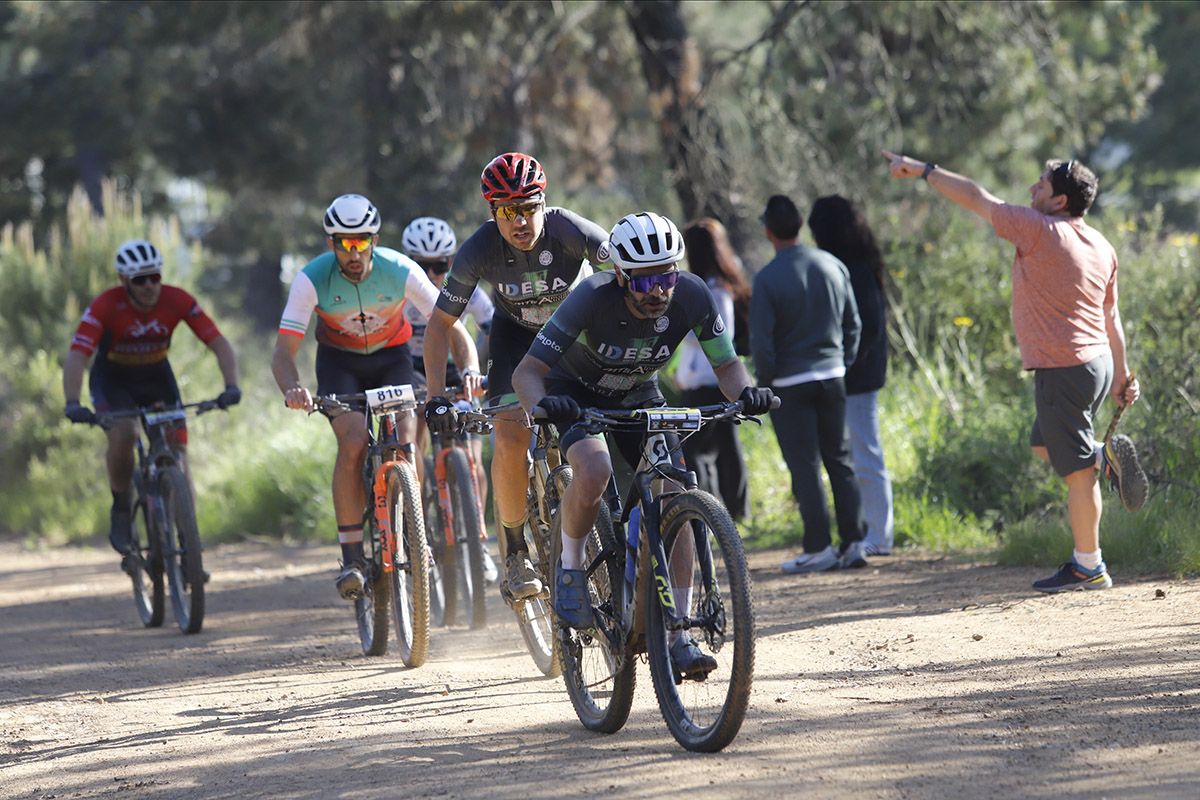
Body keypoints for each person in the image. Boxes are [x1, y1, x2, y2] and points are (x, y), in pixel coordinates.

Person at [512, 211, 775, 679]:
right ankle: (570, 569)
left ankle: (678, 635)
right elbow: (526, 373)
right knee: (593, 471)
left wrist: (746, 394)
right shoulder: (590, 298)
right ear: (618, 275)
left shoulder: (693, 294)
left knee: (675, 490)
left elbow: (728, 366)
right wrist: (545, 406)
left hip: (639, 393)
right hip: (576, 393)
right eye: (642, 282)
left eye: (666, 276)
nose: (657, 291)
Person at [882, 150, 1147, 592]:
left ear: (1060, 201)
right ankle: (1104, 456)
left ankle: (1089, 565)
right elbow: (1112, 315)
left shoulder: (1039, 229)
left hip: (1064, 369)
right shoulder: (1102, 244)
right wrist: (1121, 373)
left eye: (1040, 185)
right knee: (1044, 445)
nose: (1031, 190)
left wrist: (925, 171)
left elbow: (975, 196)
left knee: (1077, 473)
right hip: (1095, 364)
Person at [421, 152, 610, 605]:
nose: (520, 221)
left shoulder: (572, 231)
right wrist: (433, 396)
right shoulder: (478, 250)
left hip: (572, 334)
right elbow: (439, 325)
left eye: (528, 208)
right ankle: (516, 551)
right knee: (509, 434)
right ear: (493, 213)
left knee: (604, 419)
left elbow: (628, 270)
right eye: (507, 212)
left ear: (544, 203)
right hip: (514, 339)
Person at [271, 194, 479, 600]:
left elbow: (449, 325)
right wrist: (293, 388)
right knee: (352, 442)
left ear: (375, 239)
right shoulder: (311, 279)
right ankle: (351, 558)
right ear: (331, 243)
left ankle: (412, 530)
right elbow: (283, 351)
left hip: (392, 359)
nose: (353, 252)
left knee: (406, 441)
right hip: (339, 363)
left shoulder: (399, 269)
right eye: (344, 243)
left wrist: (469, 366)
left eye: (361, 242)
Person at [63, 239, 241, 567]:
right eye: (140, 280)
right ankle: (120, 504)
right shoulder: (106, 305)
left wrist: (231, 386)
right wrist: (72, 402)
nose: (149, 287)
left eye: (155, 277)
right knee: (125, 433)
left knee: (179, 450)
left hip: (157, 376)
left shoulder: (178, 300)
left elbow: (217, 341)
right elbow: (77, 355)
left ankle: (189, 540)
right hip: (113, 381)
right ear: (123, 282)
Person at [751, 195, 868, 574]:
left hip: (789, 382)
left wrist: (765, 383)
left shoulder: (767, 278)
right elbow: (854, 323)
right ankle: (854, 542)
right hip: (832, 375)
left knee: (805, 466)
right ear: (800, 226)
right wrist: (842, 363)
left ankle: (819, 547)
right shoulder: (832, 265)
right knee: (840, 459)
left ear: (769, 231)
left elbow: (762, 344)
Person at [400, 216, 496, 582]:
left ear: (451, 262)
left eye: (440, 266)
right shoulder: (403, 290)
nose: (432, 274)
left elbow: (492, 327)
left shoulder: (465, 286)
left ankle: (479, 544)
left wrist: (486, 369)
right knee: (413, 446)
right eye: (422, 267)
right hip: (410, 367)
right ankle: (420, 528)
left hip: (455, 368)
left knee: (472, 458)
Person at [807, 195, 895, 556]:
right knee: (856, 454)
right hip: (852, 375)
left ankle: (879, 536)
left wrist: (844, 363)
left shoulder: (854, 268)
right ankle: (867, 532)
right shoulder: (855, 263)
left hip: (858, 377)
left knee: (865, 453)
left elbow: (869, 326)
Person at [673, 218, 752, 520]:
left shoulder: (715, 291)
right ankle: (726, 512)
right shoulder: (713, 286)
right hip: (699, 382)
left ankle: (720, 513)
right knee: (716, 450)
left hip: (710, 383)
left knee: (700, 453)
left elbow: (722, 335)